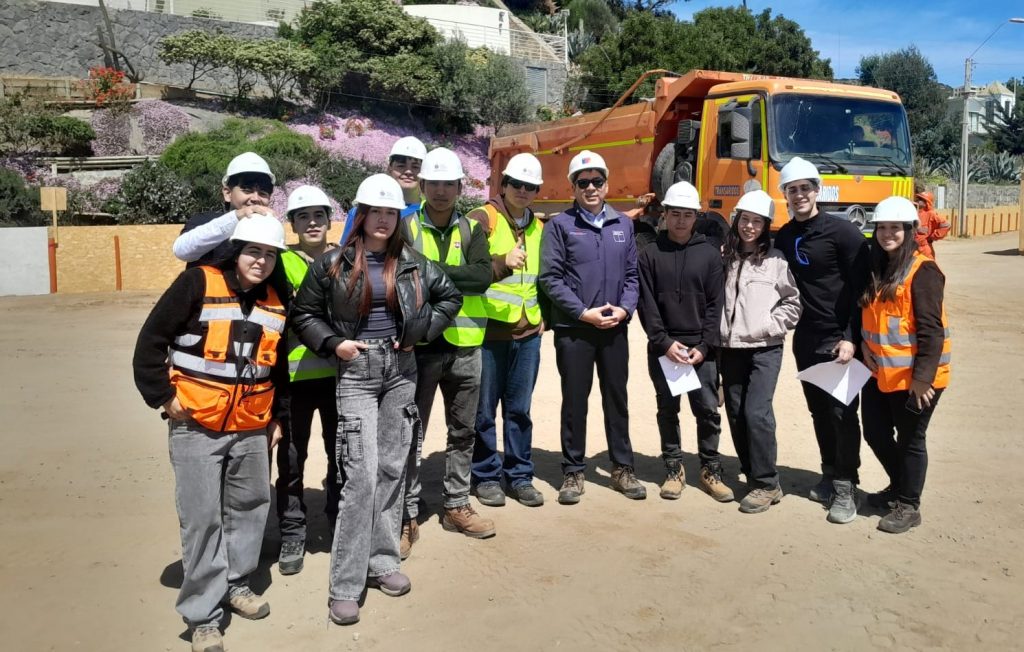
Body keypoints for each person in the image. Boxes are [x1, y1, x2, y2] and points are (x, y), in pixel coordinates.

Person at [290, 174, 462, 626]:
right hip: (357, 374)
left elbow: (451, 296)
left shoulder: (412, 262)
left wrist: (421, 332)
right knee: (360, 478)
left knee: (391, 469)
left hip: (400, 372)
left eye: (391, 212)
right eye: (376, 212)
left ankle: (383, 561)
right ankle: (345, 585)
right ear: (360, 216)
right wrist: (333, 344)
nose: (383, 220)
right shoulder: (330, 264)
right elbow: (303, 314)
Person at [133, 215, 290, 652]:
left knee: (250, 507)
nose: (261, 261)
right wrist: (164, 397)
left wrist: (278, 418)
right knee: (202, 519)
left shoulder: (279, 298)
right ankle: (203, 615)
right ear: (236, 249)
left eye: (270, 254)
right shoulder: (197, 283)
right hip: (195, 425)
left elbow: (277, 367)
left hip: (253, 427)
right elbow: (150, 343)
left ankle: (236, 584)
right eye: (254, 251)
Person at [401, 147, 495, 556]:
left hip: (465, 346)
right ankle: (406, 513)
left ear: (460, 187)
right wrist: (457, 278)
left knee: (463, 432)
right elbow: (403, 276)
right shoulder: (404, 227)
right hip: (419, 346)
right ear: (422, 186)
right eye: (434, 183)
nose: (441, 191)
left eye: (449, 184)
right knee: (409, 433)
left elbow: (481, 278)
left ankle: (455, 504)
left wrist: (430, 273)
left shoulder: (473, 229)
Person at [539, 150, 644, 504]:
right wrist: (583, 313)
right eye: (583, 182)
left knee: (617, 398)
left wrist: (625, 310)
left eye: (597, 180)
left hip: (614, 327)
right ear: (573, 186)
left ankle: (623, 468)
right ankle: (572, 472)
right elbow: (550, 280)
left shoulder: (623, 225)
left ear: (607, 183)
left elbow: (632, 276)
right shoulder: (559, 226)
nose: (591, 187)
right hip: (575, 329)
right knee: (574, 401)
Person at [773, 156, 870, 524]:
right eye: (792, 189)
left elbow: (862, 291)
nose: (799, 195)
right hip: (806, 338)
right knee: (818, 413)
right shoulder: (785, 235)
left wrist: (851, 338)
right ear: (785, 195)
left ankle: (848, 485)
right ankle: (830, 472)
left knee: (843, 414)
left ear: (817, 191)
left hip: (838, 340)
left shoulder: (843, 233)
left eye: (804, 188)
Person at [859, 196, 951, 534]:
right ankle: (899, 486)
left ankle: (909, 505)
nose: (887, 234)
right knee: (875, 431)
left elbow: (931, 331)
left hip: (917, 379)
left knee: (912, 439)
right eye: (882, 227)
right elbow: (870, 317)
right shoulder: (876, 267)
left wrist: (923, 380)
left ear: (910, 230)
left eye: (895, 227)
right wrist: (864, 350)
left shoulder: (922, 271)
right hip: (880, 372)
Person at [637, 181, 729, 503]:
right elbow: (646, 303)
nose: (680, 221)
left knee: (707, 411)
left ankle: (710, 469)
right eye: (674, 214)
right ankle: (674, 468)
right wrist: (663, 343)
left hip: (700, 351)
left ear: (696, 216)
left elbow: (716, 305)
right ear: (664, 215)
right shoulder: (649, 254)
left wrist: (704, 347)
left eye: (686, 215)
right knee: (667, 410)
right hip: (665, 349)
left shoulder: (709, 256)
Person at [467, 153, 546, 508]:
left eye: (531, 187)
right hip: (489, 332)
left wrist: (547, 319)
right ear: (504, 185)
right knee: (483, 411)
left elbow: (547, 280)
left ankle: (519, 476)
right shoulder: (482, 219)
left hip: (528, 333)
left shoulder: (540, 228)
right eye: (517, 184)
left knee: (520, 410)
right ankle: (485, 475)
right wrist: (501, 263)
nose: (524, 191)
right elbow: (465, 268)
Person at [719, 190, 802, 514]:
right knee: (736, 414)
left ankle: (767, 483)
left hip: (765, 349)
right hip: (731, 347)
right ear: (736, 219)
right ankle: (753, 473)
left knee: (757, 413)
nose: (749, 227)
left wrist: (770, 326)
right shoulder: (724, 255)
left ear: (766, 226)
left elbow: (792, 302)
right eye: (745, 220)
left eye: (757, 222)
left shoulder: (775, 261)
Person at [274, 185, 339, 576]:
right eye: (303, 217)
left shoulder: (344, 259)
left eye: (318, 216)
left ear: (329, 220)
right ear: (293, 224)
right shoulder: (280, 263)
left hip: (337, 379)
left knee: (341, 456)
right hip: (295, 380)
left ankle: (337, 518)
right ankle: (292, 531)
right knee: (293, 459)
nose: (312, 223)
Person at [173, 152, 277, 268]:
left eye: (263, 193)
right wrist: (236, 217)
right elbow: (182, 250)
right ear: (227, 193)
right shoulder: (204, 220)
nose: (255, 199)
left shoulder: (268, 231)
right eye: (247, 191)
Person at [339, 136, 427, 245]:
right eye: (401, 166)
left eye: (415, 167)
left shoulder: (429, 213)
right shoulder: (360, 211)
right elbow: (346, 250)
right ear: (389, 168)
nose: (408, 172)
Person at [913, 190, 950, 259]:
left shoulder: (931, 214)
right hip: (910, 248)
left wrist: (933, 236)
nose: (918, 200)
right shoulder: (911, 212)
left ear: (927, 203)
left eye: (921, 199)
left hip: (924, 249)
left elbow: (946, 225)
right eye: (918, 198)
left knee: (928, 267)